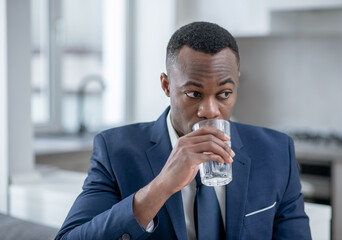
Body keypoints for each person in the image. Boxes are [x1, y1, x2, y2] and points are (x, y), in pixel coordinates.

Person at [55, 22, 311, 240]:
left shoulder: (277, 152)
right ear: (166, 86)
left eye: (224, 94)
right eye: (193, 93)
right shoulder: (116, 151)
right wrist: (161, 187)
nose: (210, 111)